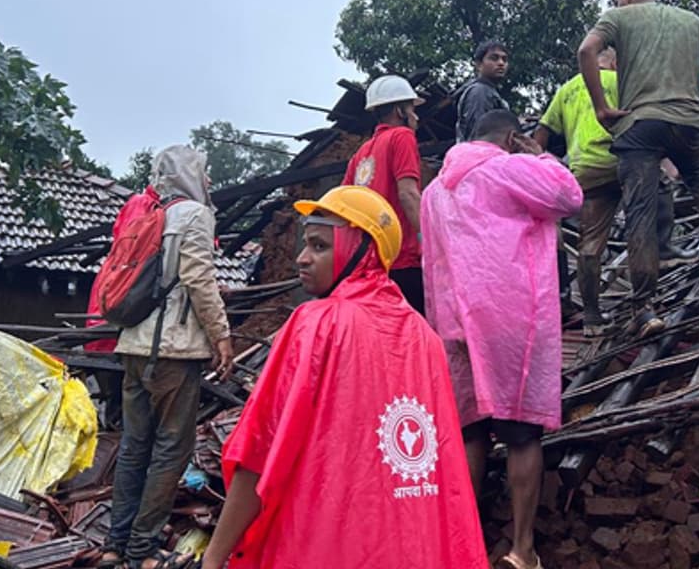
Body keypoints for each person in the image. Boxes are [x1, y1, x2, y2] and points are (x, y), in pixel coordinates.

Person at [201, 186, 485, 569]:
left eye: (318, 246)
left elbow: (260, 449)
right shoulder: (425, 338)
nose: (302, 259)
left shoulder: (316, 324)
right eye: (306, 245)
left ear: (361, 250)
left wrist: (214, 556)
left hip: (327, 546)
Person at [423, 110, 583, 569]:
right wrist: (545, 156)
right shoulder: (508, 167)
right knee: (519, 432)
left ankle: (463, 542)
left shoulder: (437, 190)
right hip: (510, 319)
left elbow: (433, 260)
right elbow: (568, 195)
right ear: (510, 138)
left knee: (471, 431)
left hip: (455, 322)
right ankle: (522, 548)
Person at [577, 0, 699, 336]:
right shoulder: (691, 19)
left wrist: (602, 107)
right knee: (697, 173)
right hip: (686, 120)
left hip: (641, 126)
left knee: (641, 214)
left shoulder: (617, 17)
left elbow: (587, 50)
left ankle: (645, 308)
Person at [103, 145, 235, 569]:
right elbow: (199, 279)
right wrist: (222, 337)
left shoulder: (147, 215)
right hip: (173, 353)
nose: (209, 181)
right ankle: (142, 551)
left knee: (133, 445)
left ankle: (114, 544)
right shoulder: (195, 216)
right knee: (171, 449)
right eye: (204, 171)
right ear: (189, 174)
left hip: (133, 347)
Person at [534, 49, 694, 334]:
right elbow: (649, 126)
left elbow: (541, 133)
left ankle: (592, 318)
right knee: (645, 220)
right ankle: (656, 273)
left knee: (590, 244)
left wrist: (548, 164)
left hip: (585, 169)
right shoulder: (622, 81)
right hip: (626, 160)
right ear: (616, 60)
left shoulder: (567, 89)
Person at [344, 74, 426, 314]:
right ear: (400, 111)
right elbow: (408, 194)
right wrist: (429, 241)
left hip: (369, 264)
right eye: (412, 108)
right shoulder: (402, 137)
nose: (416, 115)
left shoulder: (361, 153)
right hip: (403, 259)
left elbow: (346, 204)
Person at [455, 39, 512, 142]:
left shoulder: (491, 91)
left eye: (504, 59)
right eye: (494, 58)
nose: (501, 63)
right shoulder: (479, 92)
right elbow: (478, 133)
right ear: (479, 65)